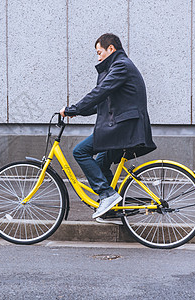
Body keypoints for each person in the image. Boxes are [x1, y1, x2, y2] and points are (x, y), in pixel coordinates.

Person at [60, 33, 156, 222]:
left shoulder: (121, 65)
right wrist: (76, 112)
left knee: (80, 151)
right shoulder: (120, 66)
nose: (98, 57)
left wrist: (74, 108)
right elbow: (102, 103)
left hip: (125, 128)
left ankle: (107, 194)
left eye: (99, 52)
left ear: (110, 49)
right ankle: (111, 207)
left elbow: (100, 92)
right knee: (101, 163)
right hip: (125, 127)